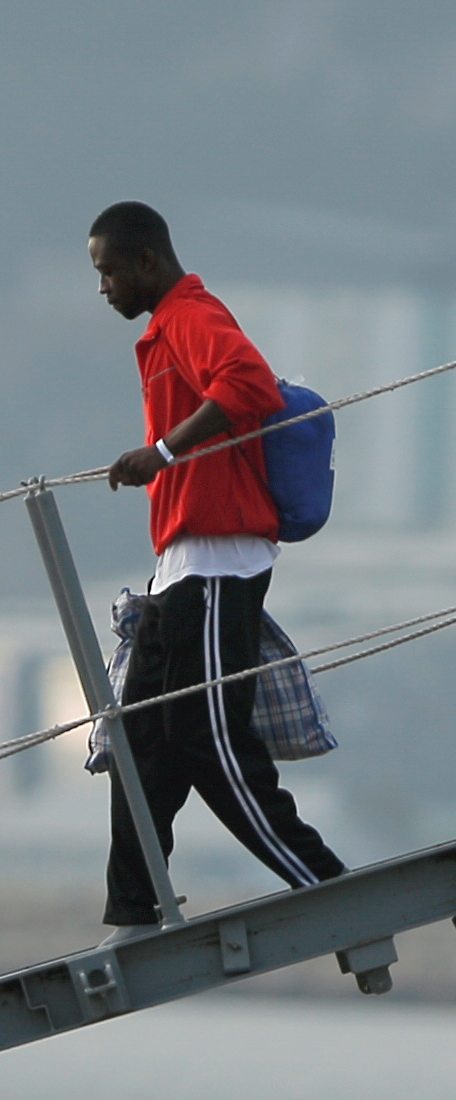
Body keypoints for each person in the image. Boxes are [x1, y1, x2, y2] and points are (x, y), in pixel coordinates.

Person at [88, 201, 346, 935]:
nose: (103, 287)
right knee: (140, 739)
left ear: (145, 262)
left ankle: (324, 887)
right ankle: (134, 911)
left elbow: (248, 385)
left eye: (108, 271)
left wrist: (163, 452)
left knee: (208, 737)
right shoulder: (165, 328)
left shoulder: (191, 314)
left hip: (216, 561)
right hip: (179, 565)